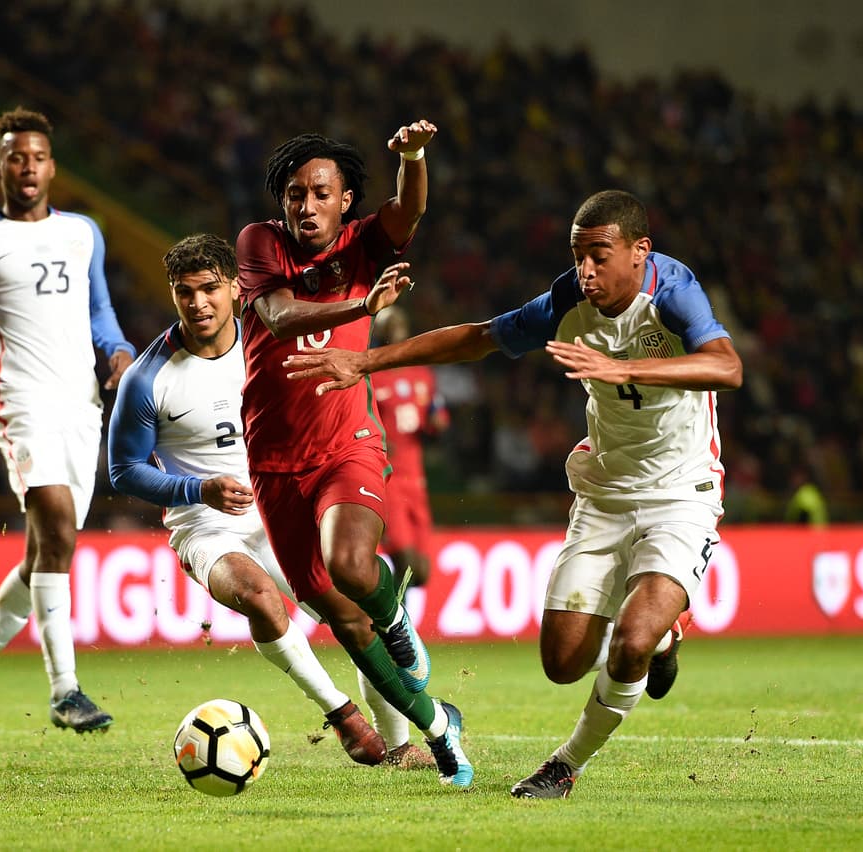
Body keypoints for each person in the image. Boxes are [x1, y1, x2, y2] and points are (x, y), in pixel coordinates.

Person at [284, 189, 742, 798]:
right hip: (604, 490)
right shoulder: (566, 300)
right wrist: (368, 361)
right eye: (578, 256)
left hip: (682, 491)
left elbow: (726, 366)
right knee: (563, 663)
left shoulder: (674, 292)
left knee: (628, 643)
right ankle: (667, 633)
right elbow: (477, 338)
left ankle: (566, 763)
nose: (585, 271)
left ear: (640, 252)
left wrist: (624, 368)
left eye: (599, 256)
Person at [107, 233, 431, 768]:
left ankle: (400, 744)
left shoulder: (274, 342)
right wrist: (197, 489)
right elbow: (123, 470)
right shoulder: (147, 379)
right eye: (184, 292)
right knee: (259, 595)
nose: (198, 303)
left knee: (354, 616)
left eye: (210, 289)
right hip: (205, 525)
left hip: (281, 503)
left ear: (237, 289)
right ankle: (343, 716)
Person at [234, 120, 473, 787]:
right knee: (332, 610)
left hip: (347, 442)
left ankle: (396, 619)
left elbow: (411, 207)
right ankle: (436, 727)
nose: (304, 205)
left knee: (349, 565)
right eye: (293, 195)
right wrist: (359, 305)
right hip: (273, 458)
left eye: (318, 193)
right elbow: (278, 317)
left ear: (344, 201)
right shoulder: (260, 242)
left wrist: (415, 156)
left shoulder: (366, 242)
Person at [0, 107, 136, 734]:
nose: (28, 167)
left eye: (37, 157)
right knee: (60, 528)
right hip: (21, 401)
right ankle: (66, 691)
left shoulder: (83, 232)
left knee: (47, 550)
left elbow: (101, 310)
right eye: (16, 157)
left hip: (81, 403)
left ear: (52, 166)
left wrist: (117, 351)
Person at [371, 306, 450, 588]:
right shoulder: (370, 373)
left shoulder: (422, 375)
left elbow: (436, 415)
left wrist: (436, 423)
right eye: (389, 325)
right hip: (387, 478)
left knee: (422, 574)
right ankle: (394, 628)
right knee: (404, 562)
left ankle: (391, 615)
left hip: (416, 479)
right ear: (379, 332)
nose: (396, 330)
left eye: (400, 323)